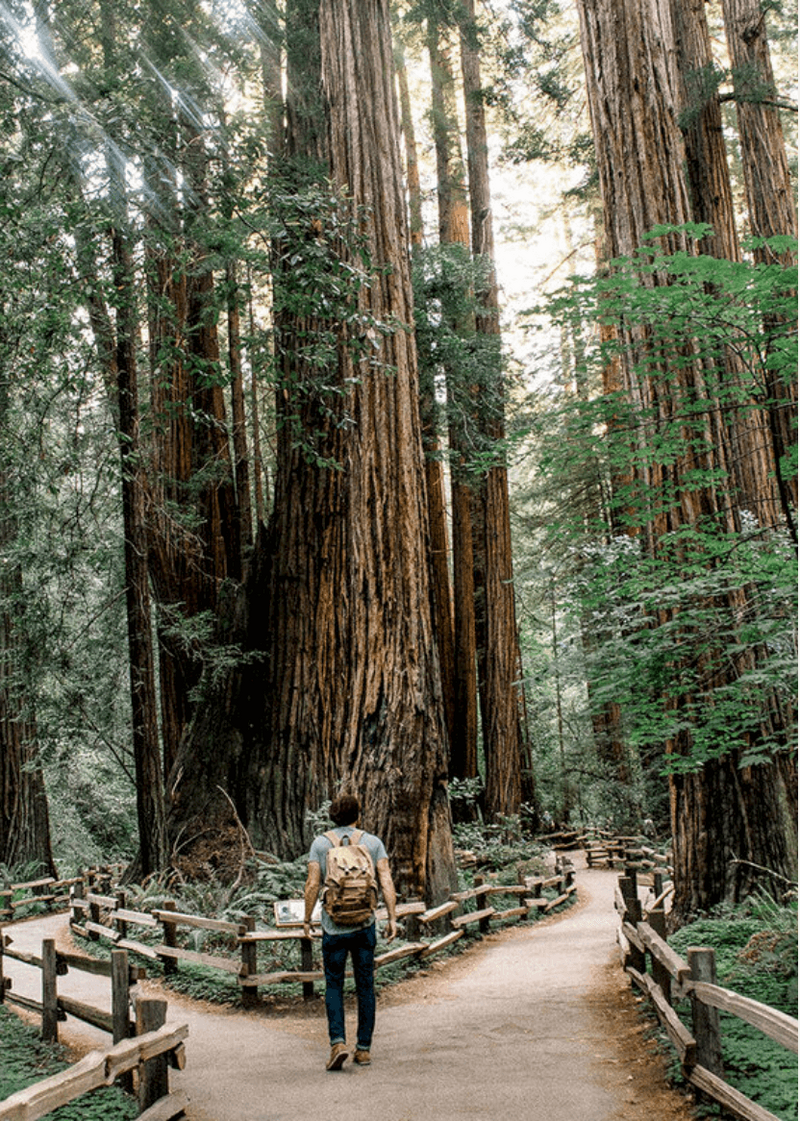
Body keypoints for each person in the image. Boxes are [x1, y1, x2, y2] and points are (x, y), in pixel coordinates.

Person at [303, 792, 397, 1071]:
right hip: (364, 925)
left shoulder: (321, 844)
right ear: (358, 815)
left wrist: (307, 919)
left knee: (334, 986)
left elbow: (312, 884)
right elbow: (386, 879)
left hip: (334, 927)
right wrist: (392, 916)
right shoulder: (372, 842)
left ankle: (337, 1043)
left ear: (332, 815)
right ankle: (364, 1049)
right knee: (365, 986)